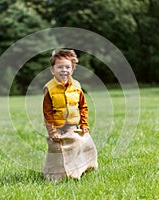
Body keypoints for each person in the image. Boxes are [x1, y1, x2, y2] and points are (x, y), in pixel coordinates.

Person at [42, 49, 98, 181]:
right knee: (58, 149)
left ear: (72, 70)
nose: (64, 70)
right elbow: (47, 112)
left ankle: (79, 169)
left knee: (78, 144)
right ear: (52, 70)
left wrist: (84, 123)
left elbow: (82, 106)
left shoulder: (76, 86)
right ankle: (54, 175)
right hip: (57, 125)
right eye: (59, 67)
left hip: (72, 124)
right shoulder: (49, 88)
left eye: (67, 67)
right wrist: (52, 131)